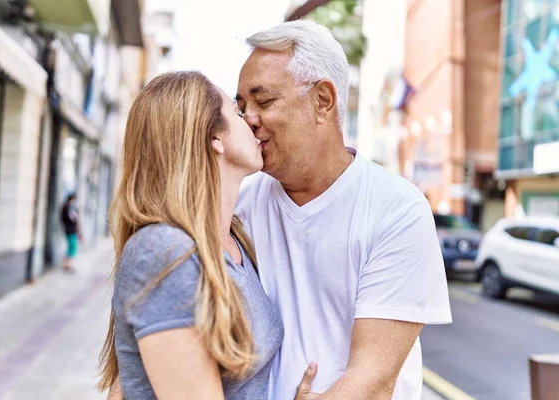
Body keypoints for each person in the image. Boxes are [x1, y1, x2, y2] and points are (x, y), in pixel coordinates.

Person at [234, 20, 452, 400]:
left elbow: (373, 379)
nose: (248, 119)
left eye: (263, 101)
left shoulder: (397, 210)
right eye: (241, 107)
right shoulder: (241, 202)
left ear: (322, 100)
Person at [97, 71, 287, 399]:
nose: (252, 121)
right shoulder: (164, 251)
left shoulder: (234, 241)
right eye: (238, 112)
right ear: (214, 138)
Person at [60, 193, 81, 272]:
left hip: (70, 230)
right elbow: (73, 219)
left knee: (71, 248)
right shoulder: (68, 208)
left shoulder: (68, 208)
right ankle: (67, 265)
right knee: (72, 248)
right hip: (70, 231)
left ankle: (68, 264)